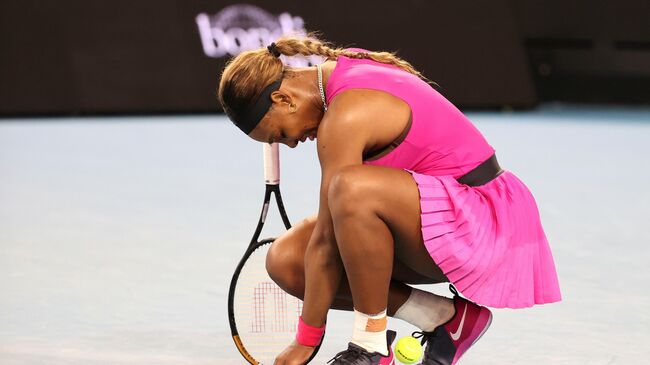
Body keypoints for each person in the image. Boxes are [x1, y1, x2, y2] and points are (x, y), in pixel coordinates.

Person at [217, 36, 562, 365]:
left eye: (279, 135)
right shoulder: (339, 69)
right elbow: (328, 238)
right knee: (287, 260)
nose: (291, 145)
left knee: (350, 190)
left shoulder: (345, 115)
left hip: (486, 224)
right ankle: (445, 319)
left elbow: (326, 241)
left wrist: (306, 340)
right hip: (442, 220)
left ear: (284, 100)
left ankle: (370, 347)